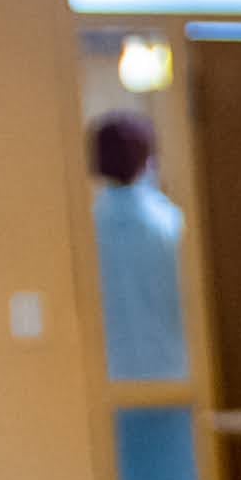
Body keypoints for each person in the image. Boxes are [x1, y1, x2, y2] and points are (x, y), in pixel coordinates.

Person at [87, 112, 187, 387]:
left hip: (110, 380)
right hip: (174, 374)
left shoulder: (88, 230)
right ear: (149, 159)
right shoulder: (170, 226)